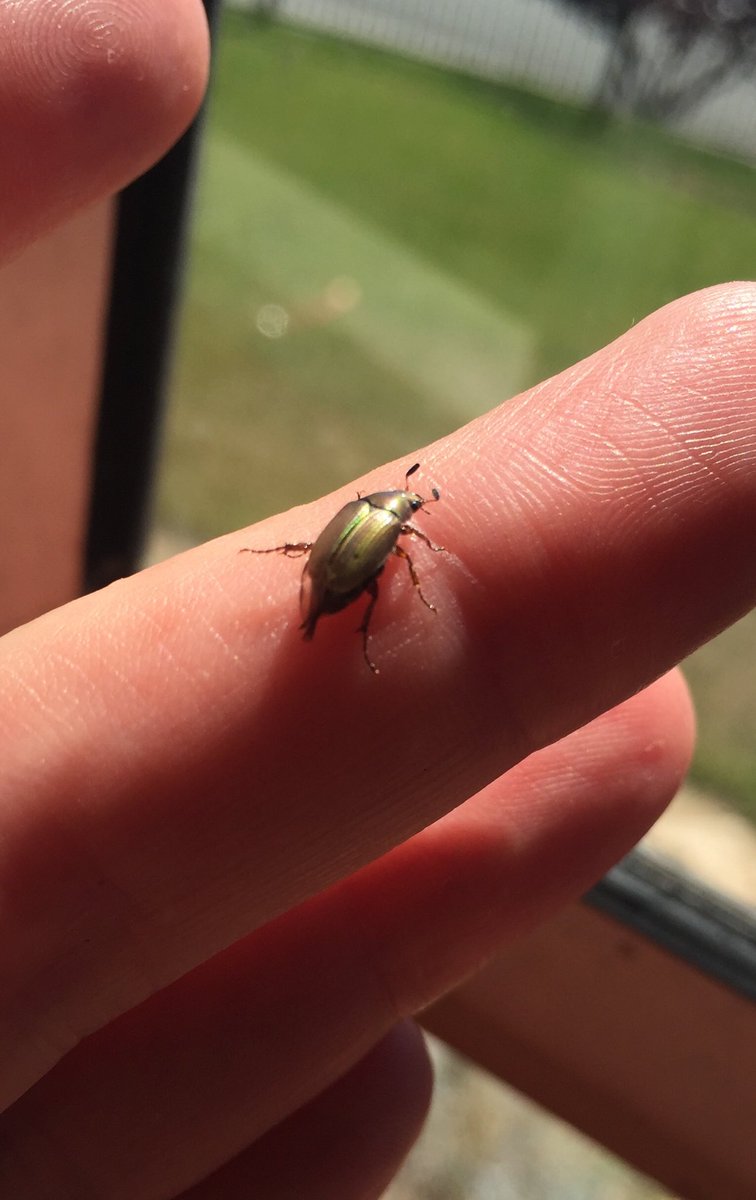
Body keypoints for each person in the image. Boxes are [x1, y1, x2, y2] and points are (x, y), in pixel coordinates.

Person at [1, 3, 754, 1197]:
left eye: (403, 512)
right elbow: (364, 551)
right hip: (328, 572)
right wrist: (345, 591)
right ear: (405, 510)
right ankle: (318, 616)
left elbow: (364, 549)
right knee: (341, 589)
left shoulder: (386, 531)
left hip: (330, 569)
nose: (405, 518)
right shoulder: (386, 537)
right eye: (407, 509)